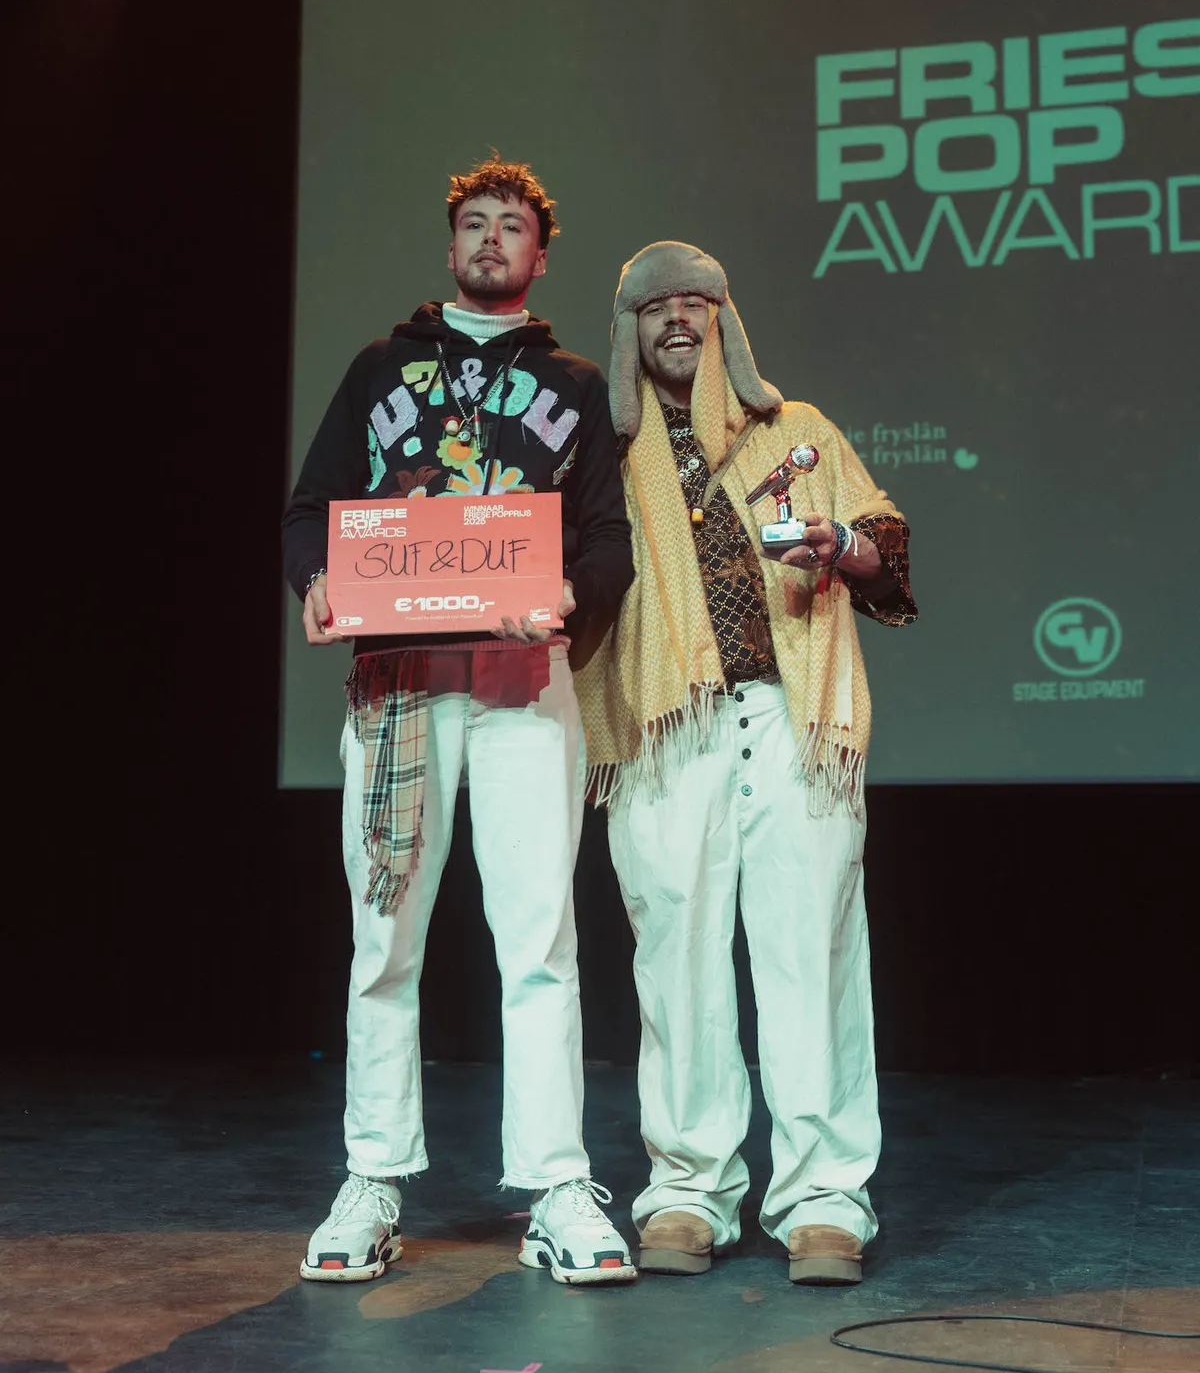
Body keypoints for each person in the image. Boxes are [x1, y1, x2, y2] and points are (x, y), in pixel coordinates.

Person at [282, 157, 636, 1286]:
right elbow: (311, 508)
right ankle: (373, 1174)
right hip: (400, 681)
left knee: (538, 941)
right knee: (384, 939)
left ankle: (557, 1182)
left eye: (512, 226)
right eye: (475, 223)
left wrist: (571, 593)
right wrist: (316, 581)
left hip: (524, 676)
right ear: (450, 249)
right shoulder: (380, 367)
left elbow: (607, 536)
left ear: (540, 255)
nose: (491, 238)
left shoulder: (576, 382)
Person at [575, 241, 917, 1284]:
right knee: (674, 955)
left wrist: (843, 546)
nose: (678, 319)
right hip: (664, 722)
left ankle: (825, 1198)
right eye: (656, 307)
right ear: (629, 330)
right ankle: (688, 1188)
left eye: (696, 302)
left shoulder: (795, 429)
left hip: (789, 713)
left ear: (726, 319)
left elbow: (886, 544)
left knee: (811, 950)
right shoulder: (599, 450)